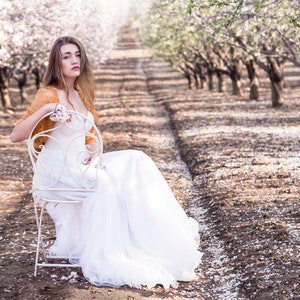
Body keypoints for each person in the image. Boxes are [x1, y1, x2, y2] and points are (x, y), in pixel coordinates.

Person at [10, 36, 202, 289]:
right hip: (57, 169)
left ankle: (153, 242)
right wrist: (46, 111)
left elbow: (88, 137)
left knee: (137, 159)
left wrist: (95, 152)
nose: (74, 60)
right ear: (56, 63)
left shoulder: (79, 93)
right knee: (104, 184)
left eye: (77, 54)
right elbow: (16, 136)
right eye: (66, 56)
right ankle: (108, 254)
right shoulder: (48, 94)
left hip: (81, 162)